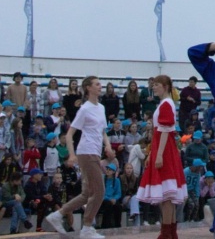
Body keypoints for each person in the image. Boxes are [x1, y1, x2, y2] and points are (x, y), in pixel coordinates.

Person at [44, 76, 117, 239]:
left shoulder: (101, 107)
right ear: (88, 88)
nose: (100, 86)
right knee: (99, 191)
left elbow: (103, 131)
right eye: (97, 84)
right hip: (86, 151)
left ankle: (58, 214)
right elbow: (70, 134)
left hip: (96, 151)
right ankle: (87, 227)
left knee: (87, 193)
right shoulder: (84, 109)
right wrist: (72, 154)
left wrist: (108, 146)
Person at [135, 75, 188, 239]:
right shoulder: (165, 103)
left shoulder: (166, 104)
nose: (154, 87)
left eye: (157, 85)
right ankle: (170, 232)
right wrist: (153, 153)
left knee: (166, 195)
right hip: (163, 148)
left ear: (165, 86)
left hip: (165, 150)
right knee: (168, 195)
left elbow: (165, 131)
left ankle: (166, 233)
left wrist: (158, 155)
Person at [97, 162, 122, 229]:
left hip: (113, 199)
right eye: (107, 169)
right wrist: (109, 199)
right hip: (103, 199)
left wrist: (114, 199)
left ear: (113, 172)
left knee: (118, 206)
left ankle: (118, 225)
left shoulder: (117, 181)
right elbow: (100, 193)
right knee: (108, 205)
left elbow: (118, 193)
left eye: (110, 170)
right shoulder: (102, 179)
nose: (107, 171)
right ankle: (105, 225)